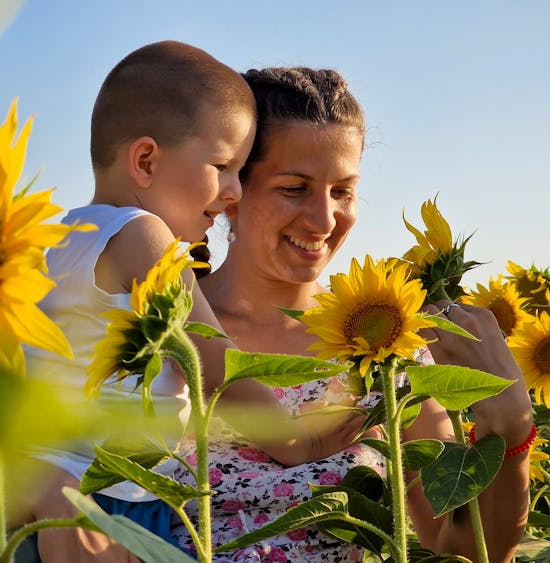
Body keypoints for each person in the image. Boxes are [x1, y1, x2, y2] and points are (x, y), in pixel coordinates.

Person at [20, 42, 367, 563]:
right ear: (145, 161)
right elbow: (215, 364)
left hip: (47, 485)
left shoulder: (59, 237)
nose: (233, 192)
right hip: (110, 501)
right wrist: (299, 443)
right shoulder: (145, 237)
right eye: (223, 166)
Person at [170, 66, 533, 562]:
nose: (324, 219)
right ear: (232, 193)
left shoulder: (389, 351)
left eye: (342, 191)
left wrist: (511, 432)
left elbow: (461, 549)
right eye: (293, 188)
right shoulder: (161, 331)